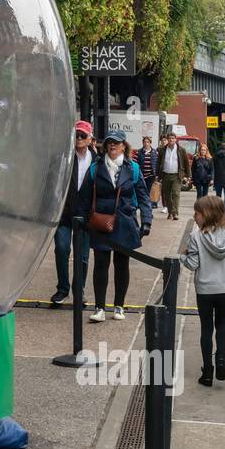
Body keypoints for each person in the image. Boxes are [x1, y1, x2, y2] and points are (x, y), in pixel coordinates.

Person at [78, 130, 153, 322]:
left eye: (117, 143)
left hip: (125, 222)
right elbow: (85, 196)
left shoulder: (133, 168)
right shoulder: (95, 168)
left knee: (122, 265)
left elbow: (143, 196)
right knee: (101, 265)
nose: (112, 145)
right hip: (101, 221)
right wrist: (82, 220)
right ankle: (100, 308)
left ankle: (119, 306)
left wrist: (146, 220)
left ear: (123, 146)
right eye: (109, 142)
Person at [182, 194, 225, 386]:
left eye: (197, 213)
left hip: (205, 290)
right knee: (222, 325)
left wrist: (182, 256)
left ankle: (207, 371)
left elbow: (193, 264)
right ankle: (221, 358)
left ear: (205, 215)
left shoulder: (195, 237)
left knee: (206, 329)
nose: (194, 216)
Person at [51, 120, 95, 306]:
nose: (78, 139)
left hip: (85, 216)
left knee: (83, 256)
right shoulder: (64, 157)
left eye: (82, 135)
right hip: (64, 213)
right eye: (76, 135)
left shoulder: (97, 160)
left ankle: (80, 290)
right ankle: (62, 289)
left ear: (90, 138)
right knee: (61, 249)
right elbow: (53, 183)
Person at [155, 130, 190, 220]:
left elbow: (186, 163)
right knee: (167, 195)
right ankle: (170, 212)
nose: (171, 140)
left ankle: (174, 213)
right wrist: (157, 175)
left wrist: (188, 175)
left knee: (175, 193)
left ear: (176, 140)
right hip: (165, 175)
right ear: (167, 139)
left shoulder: (181, 150)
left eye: (173, 138)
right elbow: (158, 163)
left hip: (177, 175)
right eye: (169, 138)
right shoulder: (162, 150)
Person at [134, 136, 158, 207]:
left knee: (149, 190)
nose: (146, 143)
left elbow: (157, 164)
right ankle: (141, 203)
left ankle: (150, 203)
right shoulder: (139, 152)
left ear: (150, 143)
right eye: (145, 142)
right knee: (141, 190)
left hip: (151, 175)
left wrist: (157, 174)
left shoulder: (155, 153)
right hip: (141, 174)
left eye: (148, 142)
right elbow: (135, 162)